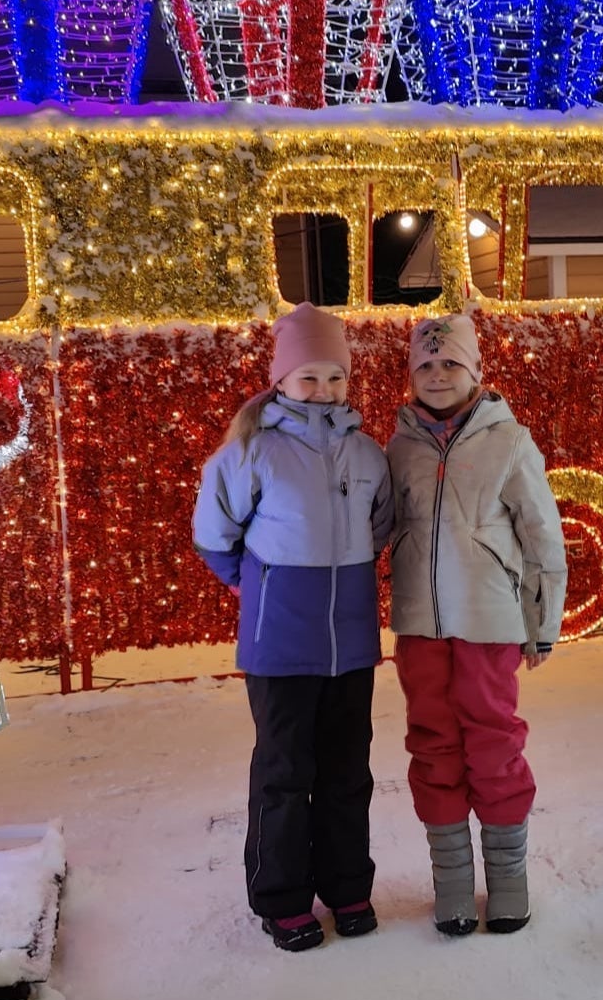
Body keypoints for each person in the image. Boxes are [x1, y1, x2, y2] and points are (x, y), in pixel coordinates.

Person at [193, 303, 393, 952]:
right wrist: (257, 591)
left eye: (334, 377)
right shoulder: (251, 453)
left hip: (352, 645)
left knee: (347, 771)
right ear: (280, 380)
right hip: (281, 648)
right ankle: (281, 899)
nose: (324, 390)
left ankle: (347, 887)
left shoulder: (368, 453)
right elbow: (214, 534)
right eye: (309, 377)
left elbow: (382, 526)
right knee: (285, 773)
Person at [387, 313, 567, 935]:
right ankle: (454, 884)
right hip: (420, 625)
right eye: (425, 366)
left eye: (450, 364)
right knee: (433, 746)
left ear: (476, 372)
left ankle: (509, 879)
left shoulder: (509, 441)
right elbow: (379, 524)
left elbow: (543, 536)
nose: (437, 376)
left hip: (490, 622)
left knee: (493, 742)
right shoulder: (399, 443)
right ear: (411, 375)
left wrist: (542, 622)